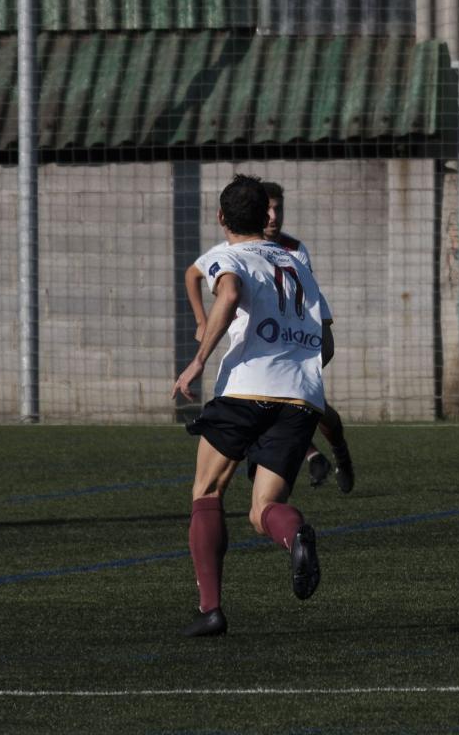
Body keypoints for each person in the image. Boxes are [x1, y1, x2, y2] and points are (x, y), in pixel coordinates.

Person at [172, 174, 334, 637]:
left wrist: (198, 361)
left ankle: (210, 609)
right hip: (301, 397)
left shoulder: (229, 256)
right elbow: (326, 343)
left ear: (221, 217)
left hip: (246, 391)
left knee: (207, 492)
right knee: (265, 507)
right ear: (266, 216)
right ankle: (294, 533)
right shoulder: (297, 263)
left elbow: (228, 292)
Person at [184, 180, 355, 494]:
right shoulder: (227, 252)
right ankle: (310, 456)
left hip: (283, 359)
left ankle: (338, 451)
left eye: (279, 209)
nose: (274, 217)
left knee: (321, 416)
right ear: (261, 214)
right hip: (258, 363)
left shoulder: (295, 253)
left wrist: (295, 360)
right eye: (270, 209)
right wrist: (201, 320)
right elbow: (193, 274)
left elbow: (307, 307)